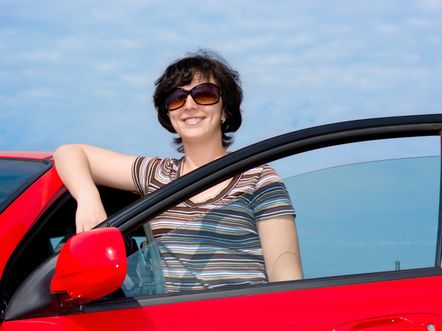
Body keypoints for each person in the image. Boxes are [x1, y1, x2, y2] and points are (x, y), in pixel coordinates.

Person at [53, 49, 303, 293]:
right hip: (175, 326)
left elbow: (287, 283)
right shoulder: (156, 174)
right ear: (168, 114)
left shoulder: (259, 177)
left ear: (226, 110)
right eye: (176, 98)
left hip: (242, 325)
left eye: (204, 94)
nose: (189, 105)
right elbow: (69, 152)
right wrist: (88, 199)